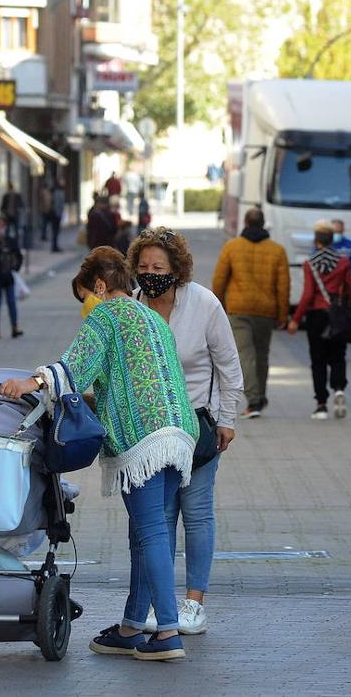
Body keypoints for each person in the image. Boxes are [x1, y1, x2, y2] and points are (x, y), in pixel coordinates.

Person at [0, 247, 199, 662]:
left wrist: (29, 382)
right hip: (178, 431)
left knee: (151, 533)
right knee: (147, 533)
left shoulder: (107, 314)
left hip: (143, 436)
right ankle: (131, 626)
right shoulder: (150, 316)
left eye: (84, 295)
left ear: (101, 286)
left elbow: (71, 366)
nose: (84, 306)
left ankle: (166, 632)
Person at [127, 227, 244, 635]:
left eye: (158, 266)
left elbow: (229, 366)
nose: (150, 273)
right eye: (142, 266)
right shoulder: (132, 306)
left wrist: (227, 418)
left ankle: (194, 603)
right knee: (158, 518)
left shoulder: (204, 304)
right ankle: (160, 604)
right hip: (149, 431)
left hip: (196, 426)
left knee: (195, 514)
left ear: (177, 269)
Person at [212, 208, 290, 419]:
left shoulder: (232, 247)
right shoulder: (277, 250)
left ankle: (254, 400)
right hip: (266, 311)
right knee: (262, 356)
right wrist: (283, 315)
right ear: (263, 224)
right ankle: (260, 396)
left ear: (245, 222)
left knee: (245, 355)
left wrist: (217, 307)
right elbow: (283, 287)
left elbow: (219, 280)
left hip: (238, 309)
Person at [288, 221, 351, 420]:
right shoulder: (342, 263)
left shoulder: (310, 263)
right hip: (338, 314)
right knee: (338, 356)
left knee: (318, 360)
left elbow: (307, 295)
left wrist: (295, 319)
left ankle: (321, 404)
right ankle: (339, 389)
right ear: (332, 239)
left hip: (316, 316)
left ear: (316, 240)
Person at [47, 183, 66, 253]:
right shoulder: (59, 194)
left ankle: (54, 246)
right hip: (56, 215)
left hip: (53, 214)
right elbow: (59, 205)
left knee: (54, 231)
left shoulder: (53, 193)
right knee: (55, 231)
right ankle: (54, 246)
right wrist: (59, 215)